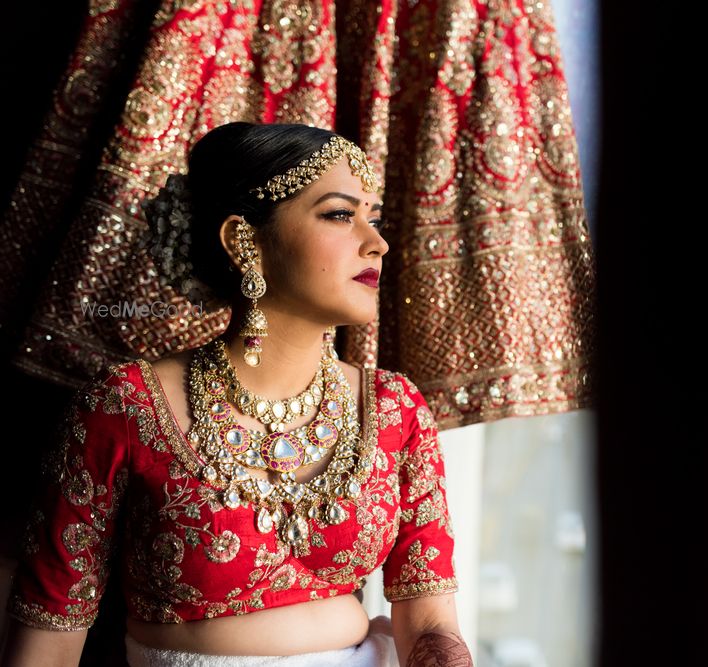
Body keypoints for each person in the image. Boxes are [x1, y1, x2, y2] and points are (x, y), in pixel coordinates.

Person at [0, 122, 474, 667]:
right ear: (242, 239)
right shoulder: (126, 406)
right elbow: (48, 642)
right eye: (341, 215)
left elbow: (432, 624)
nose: (378, 243)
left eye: (375, 218)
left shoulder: (394, 409)